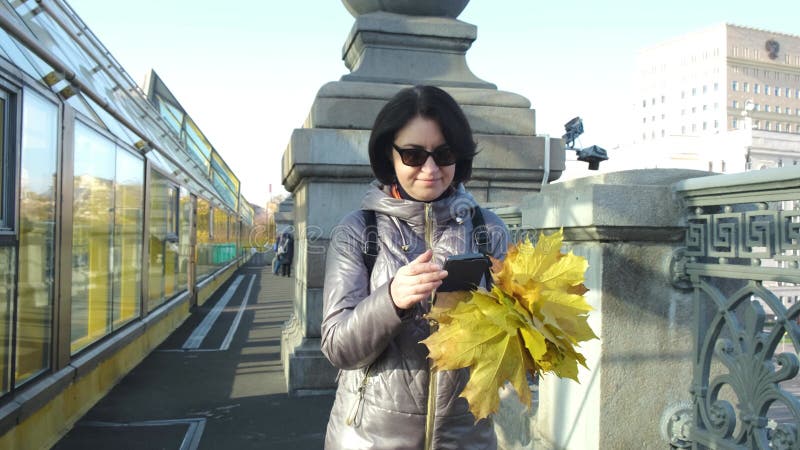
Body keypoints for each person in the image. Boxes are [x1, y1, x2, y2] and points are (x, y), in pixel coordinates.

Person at [321, 85, 509, 449]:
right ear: (387, 154)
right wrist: (390, 300)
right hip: (370, 437)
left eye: (444, 153)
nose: (430, 169)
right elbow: (338, 348)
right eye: (412, 154)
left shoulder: (488, 230)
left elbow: (513, 344)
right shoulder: (358, 231)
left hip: (466, 437)